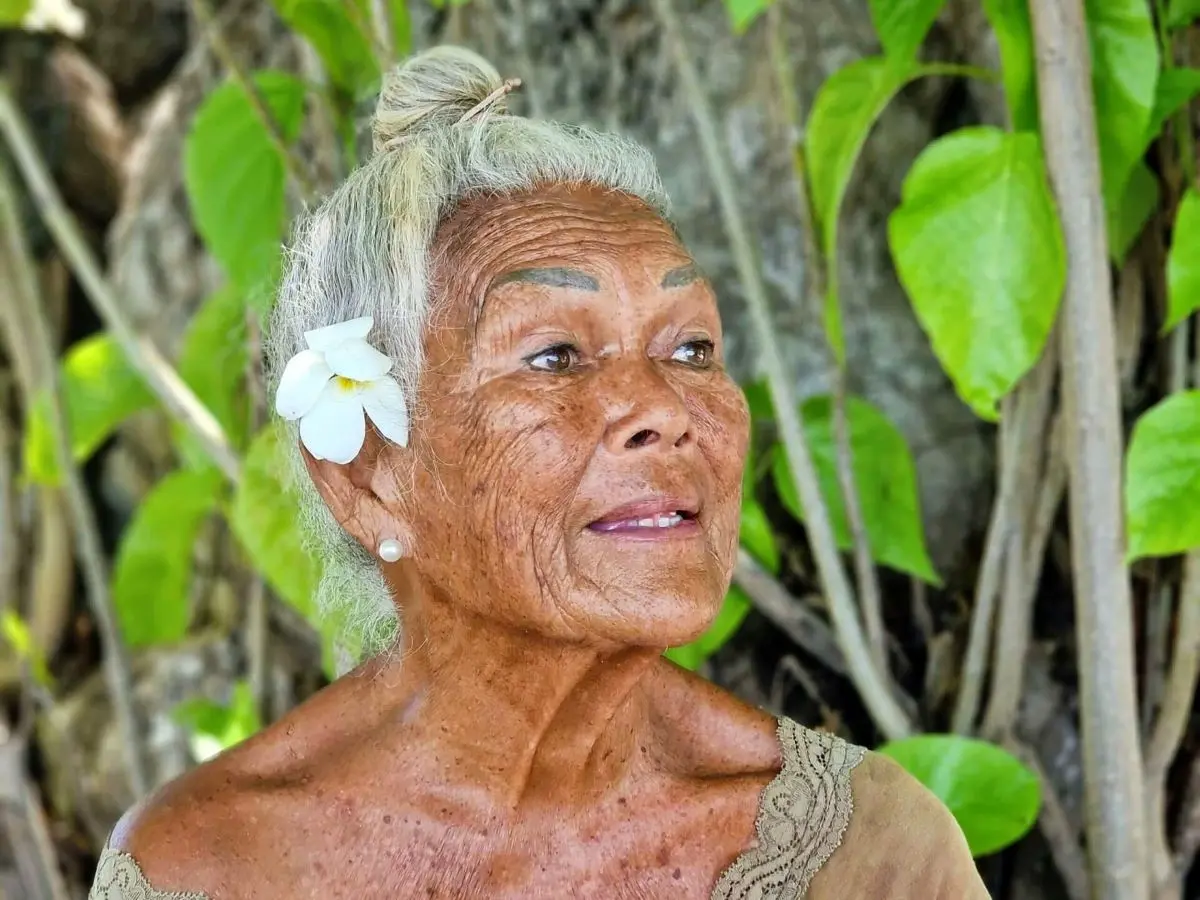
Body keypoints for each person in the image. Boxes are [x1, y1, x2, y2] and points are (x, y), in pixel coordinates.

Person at [88, 46, 990, 900]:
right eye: (555, 357)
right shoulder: (207, 867)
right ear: (368, 479)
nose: (665, 407)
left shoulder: (866, 856)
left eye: (691, 347)